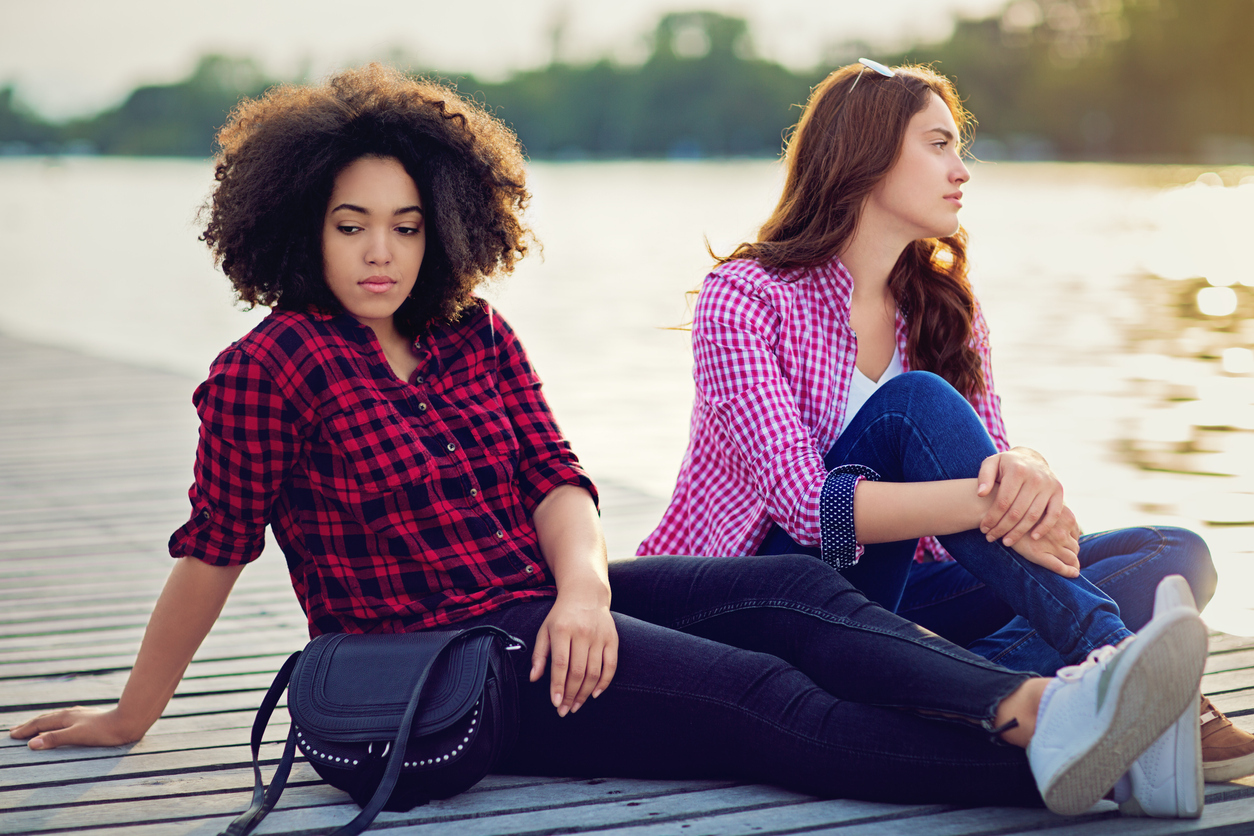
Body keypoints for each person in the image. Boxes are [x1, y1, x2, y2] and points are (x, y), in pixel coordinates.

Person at [7, 64, 1209, 819]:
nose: (382, 253)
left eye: (409, 226)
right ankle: (1067, 737)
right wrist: (130, 714)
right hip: (452, 665)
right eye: (352, 225)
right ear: (298, 226)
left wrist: (583, 590)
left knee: (790, 585)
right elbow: (213, 548)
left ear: (448, 227)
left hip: (550, 607)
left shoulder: (475, 335)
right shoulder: (269, 369)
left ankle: (1050, 704)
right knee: (764, 696)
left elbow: (557, 478)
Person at [638, 58, 1253, 789]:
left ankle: (984, 694)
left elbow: (991, 472)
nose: (962, 170)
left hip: (907, 592)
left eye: (958, 147)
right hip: (762, 599)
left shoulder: (943, 308)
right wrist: (994, 496)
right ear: (864, 155)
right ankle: (1116, 661)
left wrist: (1027, 467)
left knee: (1170, 555)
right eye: (938, 145)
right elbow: (810, 512)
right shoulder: (744, 298)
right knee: (914, 405)